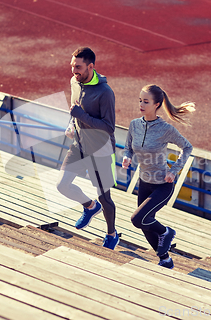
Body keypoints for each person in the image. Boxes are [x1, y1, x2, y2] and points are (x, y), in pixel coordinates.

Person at [122, 84, 195, 268]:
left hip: (162, 185)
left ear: (157, 104)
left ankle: (166, 231)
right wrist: (126, 157)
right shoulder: (134, 125)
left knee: (137, 220)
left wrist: (174, 170)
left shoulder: (165, 129)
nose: (141, 104)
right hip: (144, 183)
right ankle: (165, 259)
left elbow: (187, 147)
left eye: (146, 101)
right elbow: (128, 148)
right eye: (140, 100)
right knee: (144, 225)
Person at [56, 47, 119, 250]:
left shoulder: (105, 93)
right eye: (72, 66)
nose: (74, 71)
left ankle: (111, 234)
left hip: (100, 149)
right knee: (62, 185)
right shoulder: (75, 81)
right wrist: (71, 124)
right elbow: (75, 108)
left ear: (91, 67)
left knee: (105, 196)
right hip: (80, 144)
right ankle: (90, 207)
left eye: (79, 67)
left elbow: (109, 127)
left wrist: (81, 116)